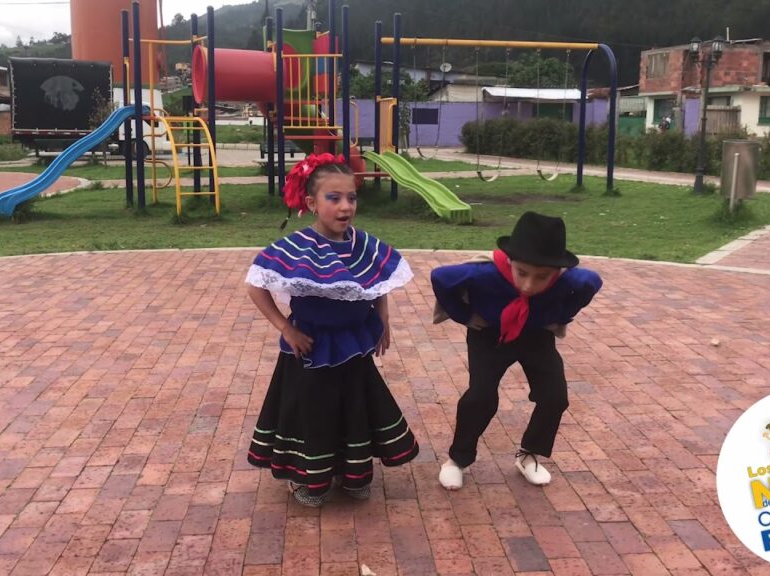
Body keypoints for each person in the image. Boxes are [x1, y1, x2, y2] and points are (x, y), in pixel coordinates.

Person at [244, 153, 419, 507]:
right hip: (311, 347)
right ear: (311, 203)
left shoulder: (363, 245)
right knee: (314, 410)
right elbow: (255, 285)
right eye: (333, 198)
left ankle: (352, 471)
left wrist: (383, 319)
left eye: (351, 197)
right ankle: (307, 475)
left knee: (354, 405)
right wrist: (286, 329)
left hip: (353, 343)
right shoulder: (296, 248)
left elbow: (378, 281)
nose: (345, 206)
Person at [430, 211, 602, 489]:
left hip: (536, 337)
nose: (529, 285)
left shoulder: (571, 280)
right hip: (489, 335)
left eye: (542, 277)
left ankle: (529, 454)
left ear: (557, 272)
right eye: (522, 273)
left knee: (555, 397)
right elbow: (440, 277)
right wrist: (463, 315)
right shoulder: (484, 274)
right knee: (481, 397)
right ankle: (457, 460)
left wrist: (561, 315)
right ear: (510, 261)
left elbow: (591, 284)